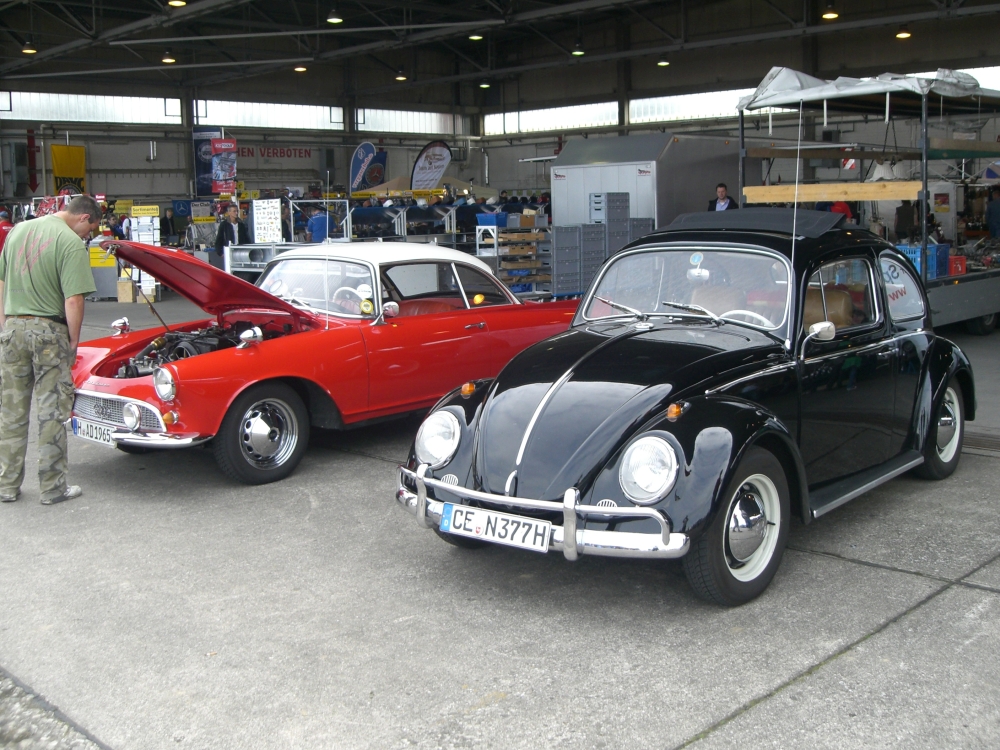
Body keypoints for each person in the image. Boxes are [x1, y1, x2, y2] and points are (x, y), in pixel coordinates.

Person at [0, 195, 99, 505]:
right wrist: (73, 341)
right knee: (51, 411)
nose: (89, 236)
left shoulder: (17, 231)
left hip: (13, 328)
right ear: (84, 217)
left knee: (11, 412)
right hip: (48, 333)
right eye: (90, 230)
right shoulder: (69, 243)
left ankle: (6, 485)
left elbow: (1, 283)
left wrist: (5, 324)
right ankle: (52, 487)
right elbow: (74, 299)